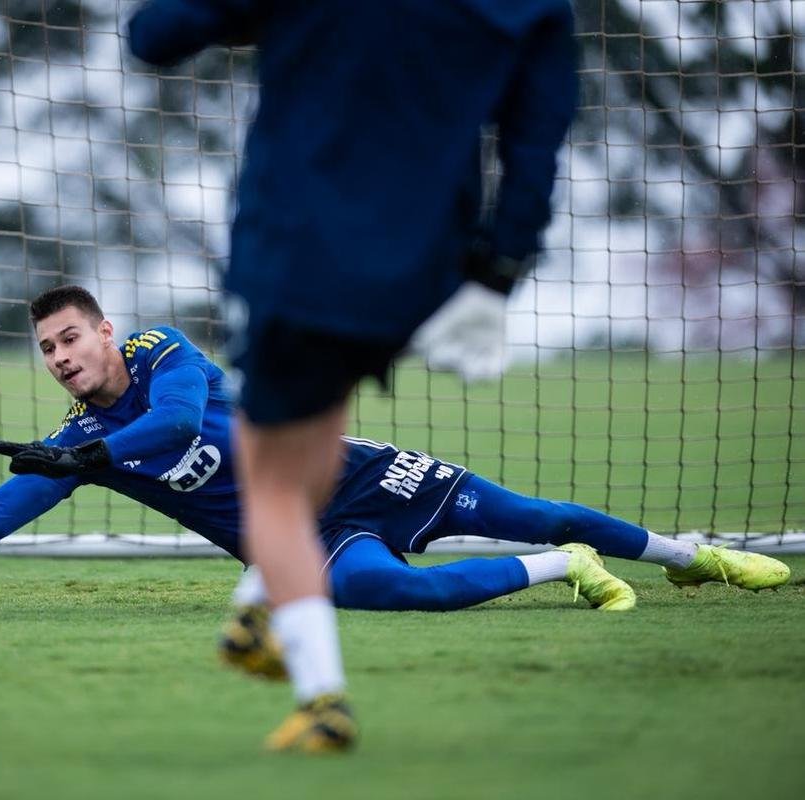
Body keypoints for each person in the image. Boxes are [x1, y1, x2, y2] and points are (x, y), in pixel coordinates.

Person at [0, 288, 791, 731]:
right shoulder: (73, 442)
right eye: (49, 351)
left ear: (106, 330)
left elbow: (179, 420)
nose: (63, 357)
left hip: (354, 472)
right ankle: (564, 571)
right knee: (382, 594)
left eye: (72, 338)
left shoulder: (160, 355)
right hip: (312, 535)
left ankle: (691, 555)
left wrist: (94, 451)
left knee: (538, 505)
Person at [125, 0, 586, 750]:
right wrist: (498, 272)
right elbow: (537, 137)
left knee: (268, 479)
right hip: (425, 271)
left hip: (297, 257)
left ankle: (320, 697)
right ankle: (263, 600)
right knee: (319, 430)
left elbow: (154, 35)